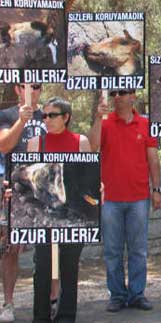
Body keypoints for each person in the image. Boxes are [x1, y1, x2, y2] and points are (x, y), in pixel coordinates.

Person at [88, 89, 161, 313]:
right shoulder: (106, 122)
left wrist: (156, 189)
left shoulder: (145, 123)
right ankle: (117, 295)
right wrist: (97, 119)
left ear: (133, 97)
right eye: (114, 93)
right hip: (110, 198)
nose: (117, 97)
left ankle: (137, 294)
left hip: (139, 197)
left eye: (123, 93)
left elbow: (153, 158)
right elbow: (92, 147)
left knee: (138, 250)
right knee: (112, 250)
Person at [26, 97, 91, 323]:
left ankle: (66, 317)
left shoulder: (80, 141)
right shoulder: (35, 143)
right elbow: (28, 180)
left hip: (72, 216)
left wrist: (95, 188)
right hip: (44, 216)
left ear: (66, 117)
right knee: (42, 267)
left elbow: (88, 177)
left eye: (52, 115)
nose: (46, 120)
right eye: (44, 116)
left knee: (69, 268)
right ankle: (41, 317)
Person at [0, 83, 47, 322]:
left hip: (45, 188)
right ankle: (8, 303)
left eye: (36, 86)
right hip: (15, 190)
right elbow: (4, 145)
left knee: (49, 246)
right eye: (25, 86)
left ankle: (51, 300)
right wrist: (21, 120)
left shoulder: (50, 112)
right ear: (17, 89)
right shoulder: (6, 115)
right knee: (11, 249)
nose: (31, 91)